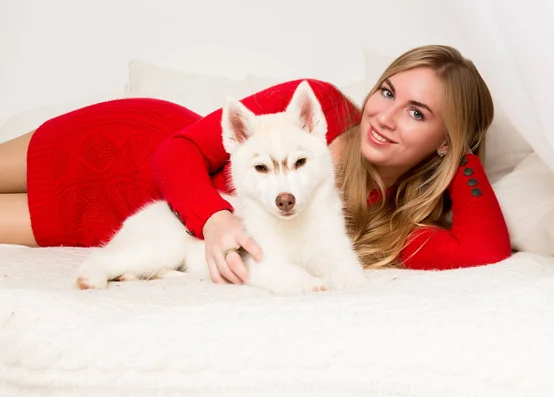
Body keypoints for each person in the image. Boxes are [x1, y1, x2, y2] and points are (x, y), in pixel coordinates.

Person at [0, 45, 511, 284]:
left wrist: (462, 150)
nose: (386, 116)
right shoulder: (320, 108)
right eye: (387, 91)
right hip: (129, 143)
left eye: (417, 113)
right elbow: (175, 151)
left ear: (446, 139)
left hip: (122, 218)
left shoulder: (391, 221)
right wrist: (216, 217)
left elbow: (485, 248)